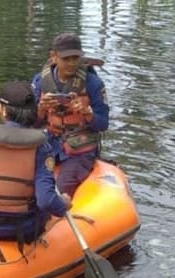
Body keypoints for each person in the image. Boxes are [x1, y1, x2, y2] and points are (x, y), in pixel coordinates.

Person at [0, 80, 71, 254]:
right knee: (49, 210)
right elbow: (45, 200)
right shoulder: (40, 147)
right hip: (25, 227)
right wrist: (63, 205)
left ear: (4, 110)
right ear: (32, 111)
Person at [32, 33, 109, 197]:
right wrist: (41, 109)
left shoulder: (93, 84)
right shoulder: (40, 82)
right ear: (53, 57)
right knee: (28, 179)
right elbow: (33, 123)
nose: (72, 63)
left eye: (75, 58)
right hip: (51, 144)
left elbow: (103, 124)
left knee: (58, 190)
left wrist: (87, 113)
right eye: (66, 59)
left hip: (80, 150)